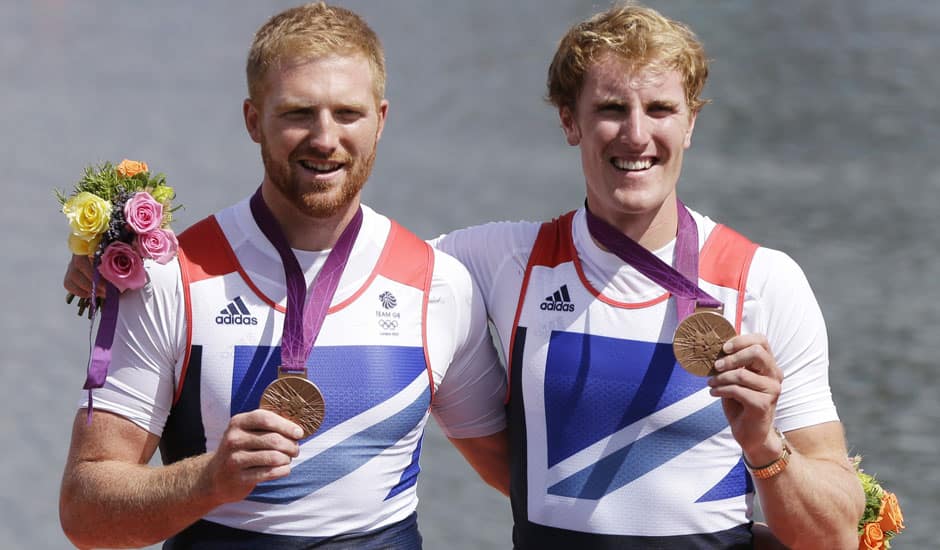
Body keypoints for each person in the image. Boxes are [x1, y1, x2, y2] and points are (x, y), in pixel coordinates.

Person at [57, 3, 508, 549]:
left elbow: (525, 478)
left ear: (381, 120)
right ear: (253, 120)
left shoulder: (439, 285)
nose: (324, 138)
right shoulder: (172, 279)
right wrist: (208, 480)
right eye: (298, 113)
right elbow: (85, 512)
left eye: (348, 113)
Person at [431, 3, 864, 549]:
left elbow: (836, 538)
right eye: (612, 108)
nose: (636, 135)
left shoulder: (763, 281)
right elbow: (349, 266)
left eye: (660, 109)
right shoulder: (505, 260)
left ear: (691, 123)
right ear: (570, 120)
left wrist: (763, 446)